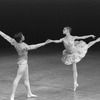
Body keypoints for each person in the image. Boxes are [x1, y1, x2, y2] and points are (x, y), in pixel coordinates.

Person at [0, 31, 50, 100]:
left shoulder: (14, 42)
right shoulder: (23, 46)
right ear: (20, 39)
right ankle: (12, 96)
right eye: (23, 36)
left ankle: (29, 93)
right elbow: (34, 46)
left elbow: (6, 36)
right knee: (17, 78)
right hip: (23, 63)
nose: (24, 36)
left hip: (23, 62)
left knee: (26, 79)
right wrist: (44, 43)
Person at [49, 26, 100, 91]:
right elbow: (57, 41)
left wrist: (90, 35)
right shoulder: (63, 38)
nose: (62, 30)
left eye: (64, 29)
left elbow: (83, 37)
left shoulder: (73, 37)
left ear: (67, 30)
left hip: (75, 52)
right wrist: (51, 40)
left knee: (87, 45)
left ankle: (97, 40)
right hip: (69, 54)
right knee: (74, 69)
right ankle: (75, 83)